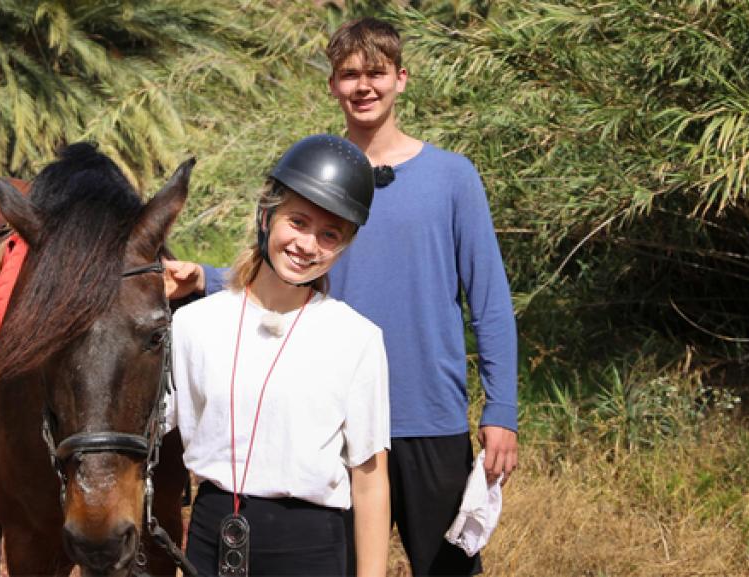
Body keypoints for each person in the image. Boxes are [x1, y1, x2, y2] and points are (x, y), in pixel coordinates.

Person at [165, 17, 518, 576]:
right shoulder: (315, 177)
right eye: (349, 74)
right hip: (329, 424)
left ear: (402, 78)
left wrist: (502, 409)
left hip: (428, 417)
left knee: (449, 569)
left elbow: (490, 302)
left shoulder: (453, 178)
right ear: (332, 85)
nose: (363, 85)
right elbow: (287, 267)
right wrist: (206, 281)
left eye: (376, 72)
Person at [167, 134, 391, 577]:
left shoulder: (357, 338)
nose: (308, 245)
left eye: (330, 235)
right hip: (212, 539)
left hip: (309, 549)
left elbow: (369, 481)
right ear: (266, 215)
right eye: (299, 222)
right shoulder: (193, 324)